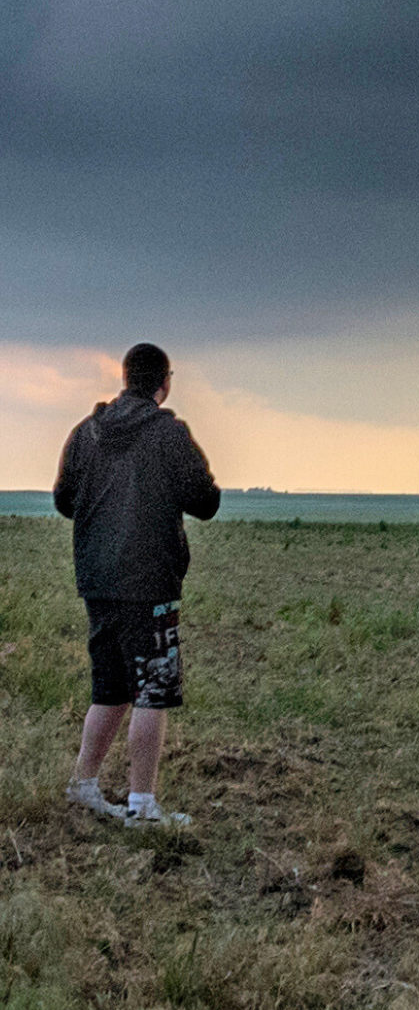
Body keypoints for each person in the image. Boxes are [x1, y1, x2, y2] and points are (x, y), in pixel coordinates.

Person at [53, 343, 220, 829]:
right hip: (151, 582)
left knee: (110, 686)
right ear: (164, 384)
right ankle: (142, 805)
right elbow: (206, 501)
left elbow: (64, 501)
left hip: (97, 580)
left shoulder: (86, 432)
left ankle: (84, 785)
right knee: (153, 690)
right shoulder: (169, 434)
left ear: (125, 378)